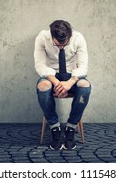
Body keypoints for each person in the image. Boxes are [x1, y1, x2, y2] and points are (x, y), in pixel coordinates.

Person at [34, 20, 91, 150]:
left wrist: (70, 83)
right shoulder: (42, 37)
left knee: (85, 86)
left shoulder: (78, 38)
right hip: (51, 76)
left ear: (70, 36)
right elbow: (40, 65)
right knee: (43, 86)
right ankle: (55, 128)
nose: (61, 47)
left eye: (64, 44)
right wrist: (58, 84)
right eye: (57, 44)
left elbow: (83, 67)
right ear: (51, 36)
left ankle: (71, 128)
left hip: (72, 76)